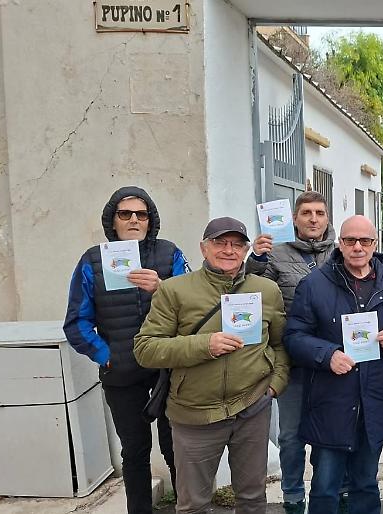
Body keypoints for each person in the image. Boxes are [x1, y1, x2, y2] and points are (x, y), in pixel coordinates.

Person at [133, 217, 290, 514]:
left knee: (253, 498)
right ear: (203, 248)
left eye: (237, 244)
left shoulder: (267, 290)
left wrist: (275, 385)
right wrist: (205, 345)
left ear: (246, 250)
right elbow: (146, 349)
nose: (229, 250)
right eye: (220, 242)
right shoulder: (175, 290)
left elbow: (280, 344)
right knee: (193, 504)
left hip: (252, 407)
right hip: (195, 413)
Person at [63, 186, 188, 514]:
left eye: (141, 214)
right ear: (113, 220)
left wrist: (162, 288)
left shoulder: (169, 253)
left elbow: (193, 306)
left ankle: (187, 507)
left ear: (150, 220)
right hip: (122, 373)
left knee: (177, 448)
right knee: (134, 452)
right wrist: (106, 357)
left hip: (168, 369)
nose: (134, 219)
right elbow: (76, 323)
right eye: (125, 213)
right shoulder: (92, 260)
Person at [283, 215, 383, 514]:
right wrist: (327, 355)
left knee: (366, 483)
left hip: (374, 400)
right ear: (339, 243)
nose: (357, 247)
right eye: (350, 240)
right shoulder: (314, 285)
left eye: (364, 241)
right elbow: (294, 336)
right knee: (325, 486)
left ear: (374, 244)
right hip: (331, 400)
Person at [246, 191, 335, 514]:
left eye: (319, 213)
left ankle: (328, 492)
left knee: (329, 434)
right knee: (291, 436)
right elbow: (250, 291)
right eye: (307, 213)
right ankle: (294, 496)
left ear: (327, 218)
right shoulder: (274, 252)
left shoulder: (340, 253)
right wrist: (255, 259)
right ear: (294, 218)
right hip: (292, 359)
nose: (313, 219)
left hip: (330, 360)